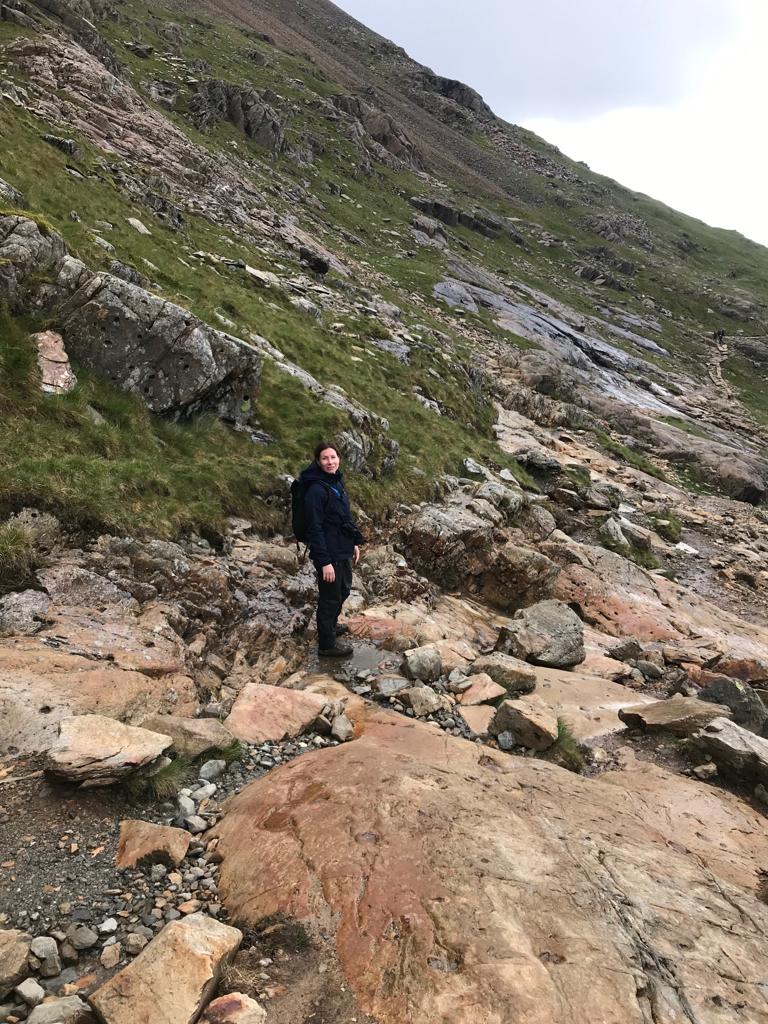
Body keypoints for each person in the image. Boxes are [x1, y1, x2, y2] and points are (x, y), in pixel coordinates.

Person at [298, 442, 363, 658]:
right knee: (330, 597)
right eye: (325, 458)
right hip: (328, 552)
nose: (330, 462)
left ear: (339, 459)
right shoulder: (316, 490)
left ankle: (331, 626)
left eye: (333, 457)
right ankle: (326, 645)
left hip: (342, 547)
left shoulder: (336, 481)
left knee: (343, 590)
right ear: (318, 462)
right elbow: (314, 528)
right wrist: (325, 562)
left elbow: (344, 517)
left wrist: (353, 542)